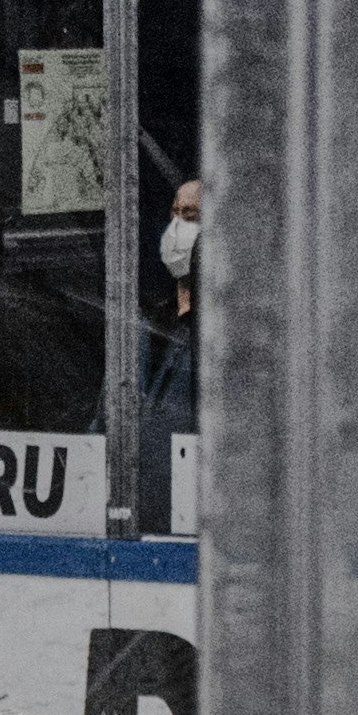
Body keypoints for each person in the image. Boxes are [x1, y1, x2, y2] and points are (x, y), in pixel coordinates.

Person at [138, 173, 198, 527]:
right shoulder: (150, 324)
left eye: (190, 217)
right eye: (174, 214)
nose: (177, 227)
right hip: (145, 506)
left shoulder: (226, 331)